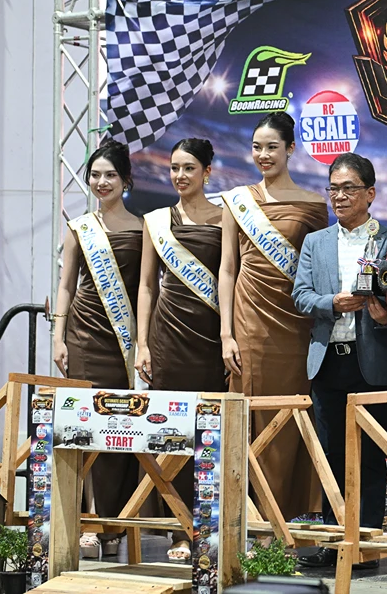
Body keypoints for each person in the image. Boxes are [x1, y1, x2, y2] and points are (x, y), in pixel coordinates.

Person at [292, 152, 387, 569]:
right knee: (331, 454)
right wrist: (332, 302)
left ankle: (365, 546)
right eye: (334, 189)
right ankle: (332, 542)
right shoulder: (316, 242)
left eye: (349, 188)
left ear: (370, 193)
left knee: (370, 457)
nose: (339, 197)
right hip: (327, 360)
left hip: (371, 363)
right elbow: (300, 295)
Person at [218, 112, 329, 524]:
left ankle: (290, 517)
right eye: (257, 147)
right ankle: (249, 520)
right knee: (251, 415)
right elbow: (226, 269)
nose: (263, 155)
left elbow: (317, 268)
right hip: (249, 321)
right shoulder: (236, 200)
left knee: (293, 418)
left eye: (272, 147)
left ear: (290, 149)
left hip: (296, 326)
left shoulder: (314, 204)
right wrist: (226, 334)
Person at [51, 139, 142, 559]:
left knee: (122, 429)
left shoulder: (144, 228)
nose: (102, 182)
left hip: (124, 341)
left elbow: (148, 289)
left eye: (110, 175)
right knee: (84, 426)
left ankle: (115, 523)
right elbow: (66, 286)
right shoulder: (80, 228)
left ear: (126, 180)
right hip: (84, 335)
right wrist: (58, 336)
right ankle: (87, 519)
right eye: (95, 175)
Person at [135, 137, 225, 562]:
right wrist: (142, 343)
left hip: (210, 339)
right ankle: (178, 532)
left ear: (207, 171)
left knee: (209, 435)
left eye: (189, 167)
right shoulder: (156, 221)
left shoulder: (226, 218)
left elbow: (231, 277)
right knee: (170, 434)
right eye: (174, 167)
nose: (180, 175)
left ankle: (210, 526)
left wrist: (229, 334)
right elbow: (146, 285)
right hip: (167, 338)